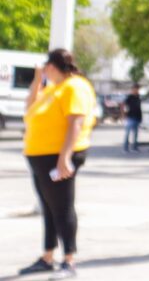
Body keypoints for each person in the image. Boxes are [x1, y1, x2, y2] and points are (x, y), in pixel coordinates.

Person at [19, 48, 97, 279]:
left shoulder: (75, 86)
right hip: (41, 158)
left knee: (62, 208)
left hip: (58, 157)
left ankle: (69, 260)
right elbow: (30, 107)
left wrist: (65, 157)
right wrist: (37, 80)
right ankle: (48, 256)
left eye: (45, 68)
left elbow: (76, 122)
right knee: (49, 207)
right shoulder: (54, 88)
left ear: (53, 66)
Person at [122, 83, 142, 152]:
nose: (136, 90)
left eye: (137, 89)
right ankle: (125, 147)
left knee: (136, 133)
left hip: (137, 116)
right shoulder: (130, 97)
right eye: (135, 89)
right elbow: (123, 105)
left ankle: (134, 147)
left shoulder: (138, 97)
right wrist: (124, 114)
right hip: (130, 117)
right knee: (128, 133)